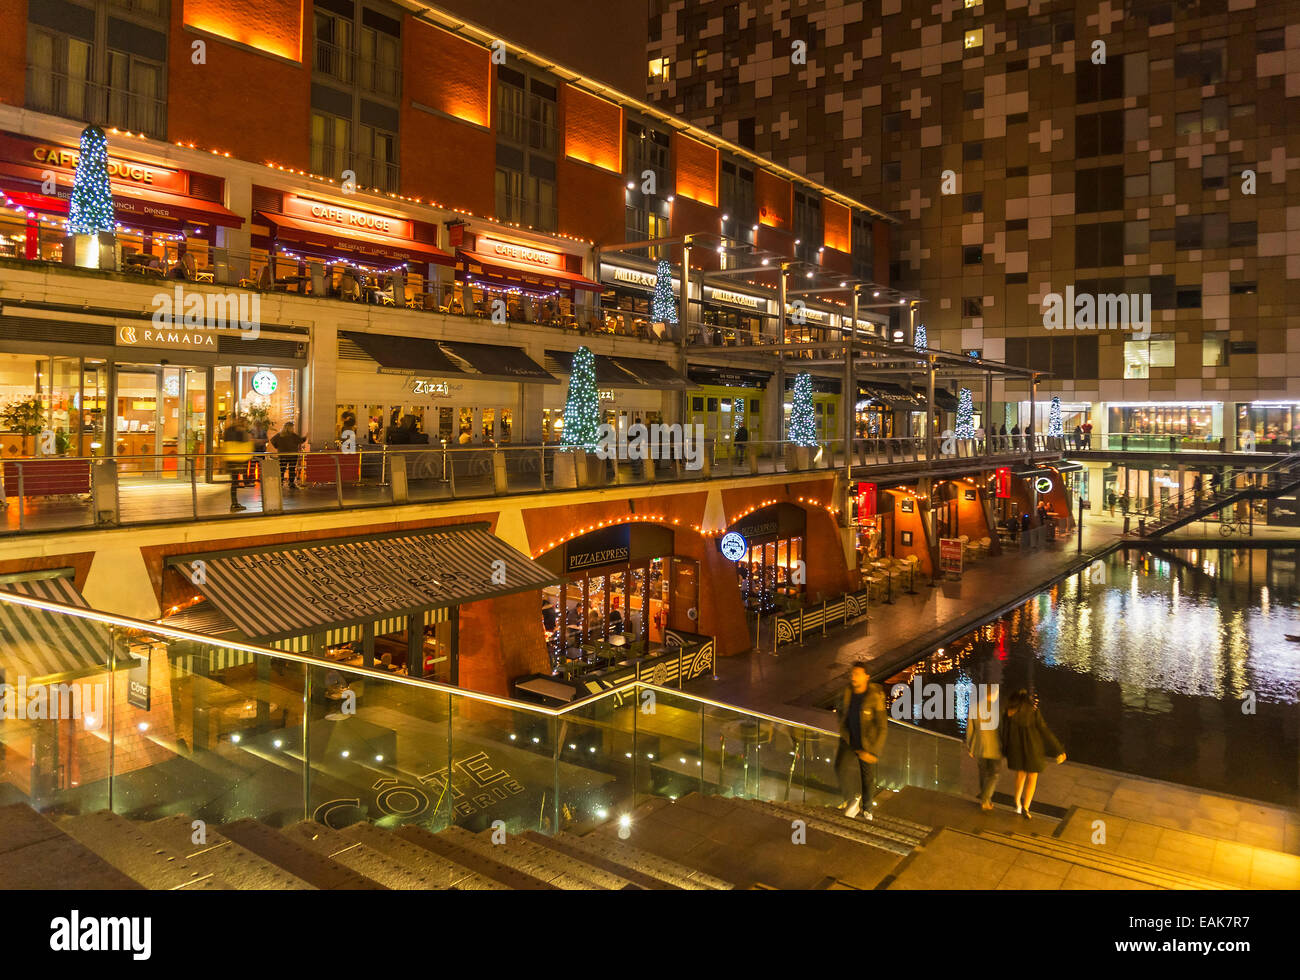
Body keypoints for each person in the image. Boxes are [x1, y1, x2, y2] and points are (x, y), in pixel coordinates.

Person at [1001, 689, 1066, 819]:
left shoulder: (1009, 713)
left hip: (1017, 749)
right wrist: (1058, 749)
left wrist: (1004, 749)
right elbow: (1044, 731)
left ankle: (1017, 801)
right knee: (1032, 779)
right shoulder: (1033, 712)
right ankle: (1026, 806)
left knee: (1020, 775)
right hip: (1033, 749)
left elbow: (1004, 732)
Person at [835, 662, 887, 821]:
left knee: (867, 777)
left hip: (867, 743)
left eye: (857, 674)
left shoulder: (874, 696)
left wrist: (875, 752)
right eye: (852, 674)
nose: (853, 677)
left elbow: (882, 726)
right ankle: (852, 800)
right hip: (849, 739)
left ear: (866, 677)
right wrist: (844, 730)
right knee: (839, 767)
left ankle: (868, 809)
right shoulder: (847, 692)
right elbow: (840, 711)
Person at [966, 685, 1002, 810]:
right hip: (995, 747)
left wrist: (970, 746)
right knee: (994, 774)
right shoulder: (997, 709)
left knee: (983, 773)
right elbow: (1002, 730)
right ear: (993, 694)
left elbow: (970, 730)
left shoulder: (974, 708)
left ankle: (986, 798)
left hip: (979, 747)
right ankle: (985, 798)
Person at [222, 415, 254, 512]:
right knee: (234, 482)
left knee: (234, 482)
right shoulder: (241, 431)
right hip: (237, 459)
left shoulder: (228, 430)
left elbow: (226, 443)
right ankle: (234, 504)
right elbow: (246, 445)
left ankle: (234, 502)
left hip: (230, 459)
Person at [270, 421, 306, 490]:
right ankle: (291, 483)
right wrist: (306, 437)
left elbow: (272, 440)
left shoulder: (279, 435)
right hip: (293, 455)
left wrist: (277, 446)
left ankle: (280, 483)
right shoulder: (293, 435)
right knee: (291, 469)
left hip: (282, 455)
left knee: (282, 469)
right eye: (292, 427)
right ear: (291, 428)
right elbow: (301, 440)